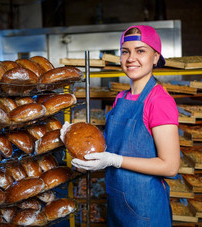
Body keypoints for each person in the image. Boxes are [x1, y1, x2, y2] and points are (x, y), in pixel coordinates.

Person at [71, 25, 180, 227]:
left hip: (145, 209)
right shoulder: (121, 98)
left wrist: (115, 160)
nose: (131, 58)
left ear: (155, 57)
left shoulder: (158, 101)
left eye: (140, 51)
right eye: (125, 51)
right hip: (117, 205)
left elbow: (170, 166)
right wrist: (74, 141)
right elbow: (111, 147)